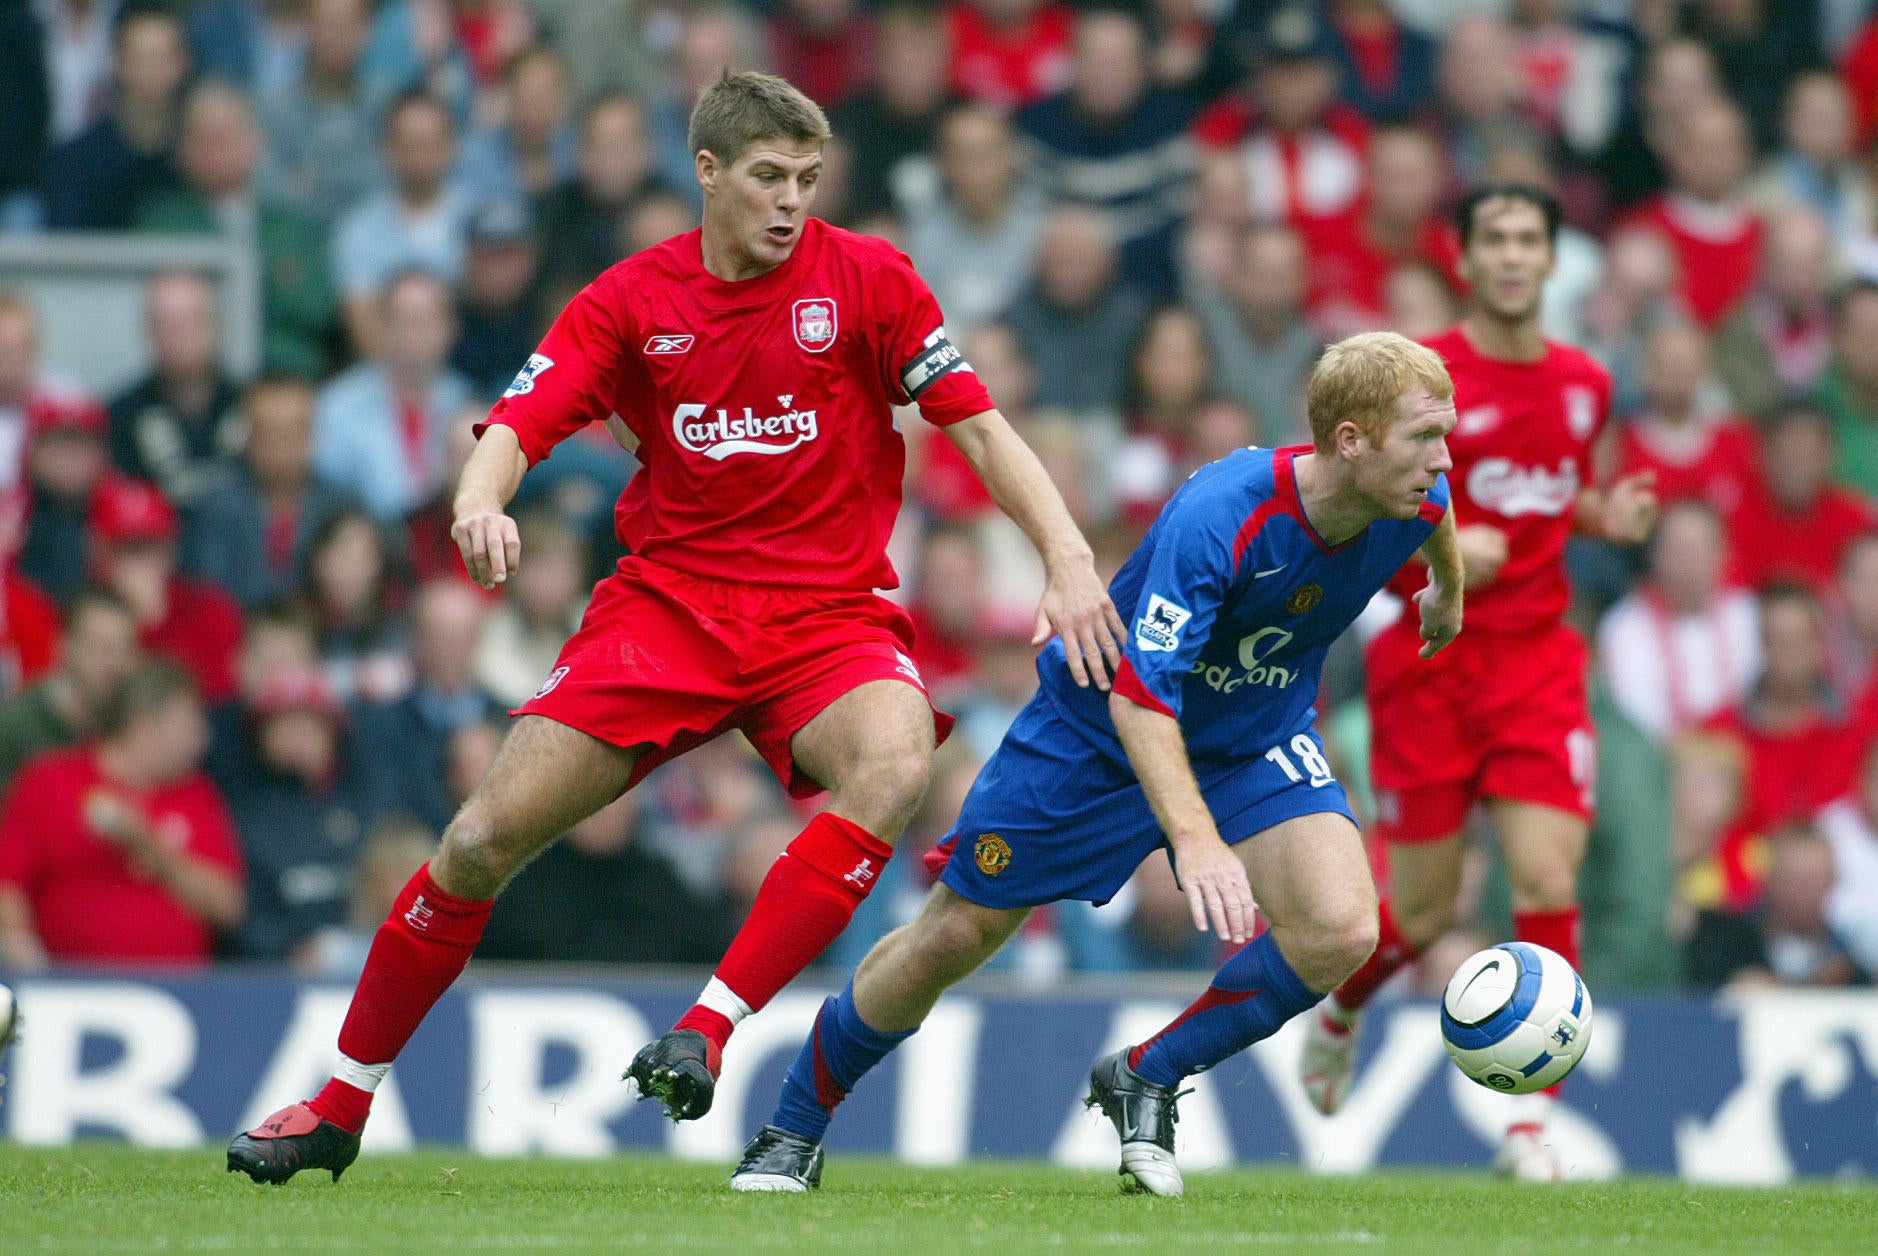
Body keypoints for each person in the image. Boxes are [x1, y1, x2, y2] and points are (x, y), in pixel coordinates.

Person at [227, 68, 1116, 1184]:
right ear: (708, 171)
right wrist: (477, 499)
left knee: (893, 763)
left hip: (824, 617)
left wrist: (1070, 556)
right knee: (475, 843)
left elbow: (981, 431)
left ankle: (707, 1026)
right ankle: (339, 1102)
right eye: (766, 176)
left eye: (806, 177)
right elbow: (519, 421)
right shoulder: (630, 301)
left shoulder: (873, 280)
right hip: (670, 611)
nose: (791, 201)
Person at [729, 330, 1462, 1195]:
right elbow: (1140, 698)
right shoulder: (1222, 514)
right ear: (1350, 441)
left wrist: (1446, 588)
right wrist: (1195, 839)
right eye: (1424, 437)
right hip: (1098, 737)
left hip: (1250, 738)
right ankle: (793, 1126)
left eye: (1445, 432)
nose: (1443, 458)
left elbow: (1440, 514)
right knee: (953, 936)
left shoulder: (1414, 493)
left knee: (1343, 928)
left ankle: (1145, 1074)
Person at [1296, 184, 1658, 1181]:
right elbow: (1354, 515)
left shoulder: (1585, 381)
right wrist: (1445, 559)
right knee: (1417, 915)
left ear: (1552, 260)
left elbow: (1543, 494)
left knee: (1546, 879)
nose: (1511, 256)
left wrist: (1599, 518)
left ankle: (1529, 1125)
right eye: (1493, 239)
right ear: (1463, 259)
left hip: (1537, 658)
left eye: (1528, 239)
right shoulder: (1418, 376)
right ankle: (1343, 1008)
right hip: (1431, 656)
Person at [0, 657, 244, 970]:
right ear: (143, 727)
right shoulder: (51, 781)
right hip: (66, 989)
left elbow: (228, 908)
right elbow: (7, 882)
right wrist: (31, 968)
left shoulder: (197, 795)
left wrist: (147, 844)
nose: (201, 739)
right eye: (188, 724)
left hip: (183, 993)